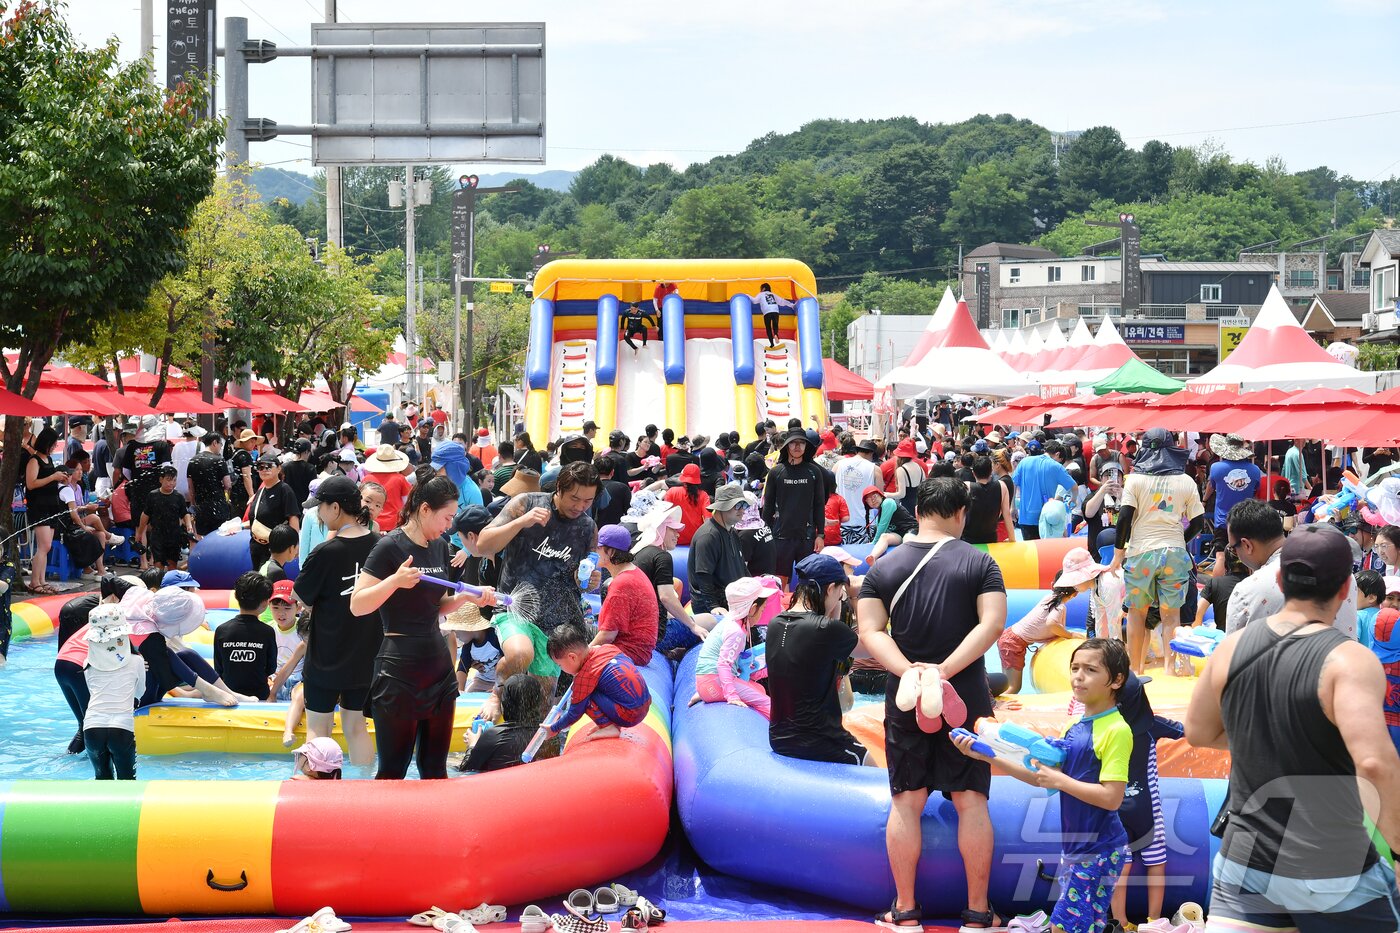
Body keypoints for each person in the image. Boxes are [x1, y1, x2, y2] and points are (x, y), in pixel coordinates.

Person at [1185, 525, 1400, 931]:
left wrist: (1269, 736)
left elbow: (1196, 732)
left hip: (1246, 861)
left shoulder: (1231, 648)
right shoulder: (1348, 660)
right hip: (1331, 864)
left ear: (1281, 580)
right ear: (1345, 590)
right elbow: (1373, 763)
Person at [857, 477, 1008, 932]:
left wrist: (910, 672)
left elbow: (870, 631)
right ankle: (978, 914)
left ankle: (904, 911)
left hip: (907, 697)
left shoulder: (883, 567)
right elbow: (993, 624)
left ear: (917, 510)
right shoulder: (980, 562)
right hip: (966, 695)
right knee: (972, 801)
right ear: (961, 513)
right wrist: (945, 671)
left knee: (906, 802)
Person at [952, 638, 1133, 933]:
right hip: (1077, 847)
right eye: (1075, 668)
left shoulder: (1116, 730)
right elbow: (1040, 778)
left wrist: (1060, 780)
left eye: (1090, 669)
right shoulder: (1074, 727)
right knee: (1088, 927)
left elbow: (1112, 798)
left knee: (1063, 926)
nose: (1078, 675)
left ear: (1116, 680)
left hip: (1100, 849)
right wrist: (985, 755)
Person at [351, 476, 493, 780]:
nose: (449, 525)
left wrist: (465, 597)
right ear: (425, 509)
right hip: (398, 670)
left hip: (438, 668)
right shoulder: (389, 546)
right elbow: (358, 605)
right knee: (392, 770)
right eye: (447, 517)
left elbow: (438, 606)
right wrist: (394, 581)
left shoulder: (440, 547)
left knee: (435, 770)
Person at [476, 461, 600, 720]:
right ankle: (496, 695)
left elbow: (582, 581)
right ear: (559, 488)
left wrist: (589, 580)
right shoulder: (527, 504)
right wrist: (521, 522)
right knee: (521, 654)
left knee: (542, 710)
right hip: (514, 605)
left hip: (556, 620)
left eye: (588, 501)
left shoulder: (587, 527)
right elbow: (483, 545)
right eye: (574, 498)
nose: (580, 506)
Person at [292, 476, 380, 767]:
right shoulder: (380, 545)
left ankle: (315, 792)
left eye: (320, 507)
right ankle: (366, 790)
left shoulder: (326, 552)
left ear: (335, 508)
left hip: (327, 652)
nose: (317, 513)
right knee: (356, 725)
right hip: (366, 653)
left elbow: (301, 597)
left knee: (319, 727)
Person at [1106, 428, 1204, 675]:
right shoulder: (1186, 481)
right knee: (1171, 615)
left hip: (1141, 552)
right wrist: (1179, 540)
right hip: (1174, 552)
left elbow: (1124, 518)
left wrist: (1119, 553)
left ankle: (1135, 670)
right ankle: (1170, 669)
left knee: (1137, 613)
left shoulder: (1135, 480)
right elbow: (1198, 522)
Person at [767, 554, 869, 766]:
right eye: (840, 592)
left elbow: (823, 645)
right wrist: (862, 597)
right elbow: (872, 647)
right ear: (830, 588)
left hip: (780, 740)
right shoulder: (826, 629)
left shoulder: (775, 624)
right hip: (821, 743)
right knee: (878, 778)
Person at [1226, 499, 1358, 639]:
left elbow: (1231, 655)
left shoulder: (1248, 589)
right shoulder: (1344, 574)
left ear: (1247, 545)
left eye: (1233, 549)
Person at [998, 548, 1110, 694]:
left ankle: (990, 700)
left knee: (1007, 684)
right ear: (1075, 593)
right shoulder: (1060, 607)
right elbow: (1051, 624)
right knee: (1014, 687)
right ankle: (994, 707)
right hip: (1013, 643)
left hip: (1009, 638)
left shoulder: (1049, 598)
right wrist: (1069, 635)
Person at [544, 623, 653, 744]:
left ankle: (607, 727)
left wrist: (554, 728)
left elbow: (574, 713)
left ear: (572, 657)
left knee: (585, 695)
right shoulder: (607, 649)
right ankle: (609, 725)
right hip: (645, 704)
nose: (561, 668)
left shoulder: (586, 676)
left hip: (630, 715)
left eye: (560, 665)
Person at [692, 577, 779, 719]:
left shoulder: (731, 623)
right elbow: (723, 664)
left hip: (708, 683)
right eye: (762, 610)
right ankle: (779, 737)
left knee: (760, 688)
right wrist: (732, 696)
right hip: (714, 682)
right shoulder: (736, 632)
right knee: (768, 703)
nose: (762, 614)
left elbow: (738, 666)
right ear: (752, 609)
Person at [81, 605, 146, 781]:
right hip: (122, 728)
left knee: (102, 780)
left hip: (92, 727)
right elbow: (140, 693)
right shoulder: (136, 661)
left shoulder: (88, 663)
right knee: (127, 782)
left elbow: (92, 690)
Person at [762, 428, 826, 587]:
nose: (798, 446)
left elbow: (819, 504)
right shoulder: (776, 472)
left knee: (807, 581)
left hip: (807, 536)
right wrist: (765, 533)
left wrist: (821, 534)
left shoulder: (814, 472)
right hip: (781, 536)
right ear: (786, 446)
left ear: (806, 446)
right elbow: (768, 505)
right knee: (780, 582)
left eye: (802, 443)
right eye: (793, 443)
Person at [592, 523, 660, 666]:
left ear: (610, 552)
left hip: (628, 653)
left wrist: (585, 652)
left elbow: (608, 635)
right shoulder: (633, 572)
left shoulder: (622, 584)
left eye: (597, 547)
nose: (593, 551)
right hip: (637, 650)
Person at [213, 572, 279, 702]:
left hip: (229, 695)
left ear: (236, 597)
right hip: (259, 695)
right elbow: (271, 667)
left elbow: (219, 668)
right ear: (265, 603)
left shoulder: (222, 630)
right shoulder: (267, 632)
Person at [688, 483, 752, 616]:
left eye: (744, 505)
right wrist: (713, 606)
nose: (743, 510)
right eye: (738, 506)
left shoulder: (732, 532)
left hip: (731, 600)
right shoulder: (708, 536)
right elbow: (703, 575)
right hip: (713, 606)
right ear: (722, 507)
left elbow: (742, 568)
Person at [459, 673, 543, 773]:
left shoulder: (493, 735)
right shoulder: (549, 735)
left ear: (506, 702)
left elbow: (466, 770)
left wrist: (472, 746)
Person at [1205, 433, 1263, 575]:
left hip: (1222, 520)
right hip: (1245, 519)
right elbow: (1256, 491)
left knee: (1220, 556)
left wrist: (1204, 500)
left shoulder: (1216, 468)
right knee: (1247, 557)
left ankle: (1216, 591)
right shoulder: (1255, 470)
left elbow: (1211, 487)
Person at [22, 426, 68, 594]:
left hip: (51, 506)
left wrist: (60, 479)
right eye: (53, 444)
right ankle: (35, 582)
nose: (54, 447)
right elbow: (31, 483)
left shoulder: (48, 459)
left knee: (46, 547)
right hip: (39, 507)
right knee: (44, 546)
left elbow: (48, 481)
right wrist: (53, 477)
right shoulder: (34, 460)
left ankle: (42, 580)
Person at [1012, 438, 1077, 542]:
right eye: (1061, 461)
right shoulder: (1056, 467)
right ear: (1057, 454)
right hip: (1048, 519)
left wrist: (1012, 507)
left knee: (1030, 553)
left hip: (1026, 517)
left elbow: (1013, 484)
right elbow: (1074, 486)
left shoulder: (1024, 462)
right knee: (1046, 554)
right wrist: (1073, 500)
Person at [246, 456, 300, 571]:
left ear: (279, 468)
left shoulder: (285, 490)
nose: (265, 470)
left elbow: (293, 517)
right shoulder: (260, 491)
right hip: (256, 546)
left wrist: (294, 545)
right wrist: (237, 526)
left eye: (269, 466)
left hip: (274, 548)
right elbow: (257, 518)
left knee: (268, 578)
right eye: (261, 467)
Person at [137, 464, 194, 573]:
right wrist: (139, 533)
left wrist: (189, 525)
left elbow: (184, 513)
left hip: (174, 535)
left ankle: (172, 587)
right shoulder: (153, 496)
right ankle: (159, 585)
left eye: (174, 480)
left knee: (172, 565)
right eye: (168, 480)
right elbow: (145, 515)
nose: (171, 483)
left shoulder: (178, 497)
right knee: (158, 565)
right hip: (157, 535)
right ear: (161, 480)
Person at [186, 432, 232, 536]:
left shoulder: (193, 461)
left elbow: (190, 487)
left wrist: (193, 504)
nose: (220, 448)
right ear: (214, 443)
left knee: (203, 537)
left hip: (201, 507)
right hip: (218, 505)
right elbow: (228, 484)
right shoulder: (219, 460)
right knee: (220, 536)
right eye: (220, 445)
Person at [962, 456, 1015, 546]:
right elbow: (1007, 514)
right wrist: (1012, 539)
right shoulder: (1002, 486)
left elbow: (959, 515)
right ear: (991, 471)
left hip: (969, 539)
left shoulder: (967, 487)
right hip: (991, 538)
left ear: (973, 473)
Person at [663, 463, 710, 545]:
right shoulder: (704, 495)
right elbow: (707, 520)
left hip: (674, 540)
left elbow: (665, 516)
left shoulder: (671, 492)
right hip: (695, 540)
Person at [594, 457, 632, 527]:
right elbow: (629, 512)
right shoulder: (622, 488)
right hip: (613, 530)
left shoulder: (587, 487)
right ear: (612, 472)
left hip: (590, 530)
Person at [754, 282, 794, 347]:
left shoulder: (761, 294)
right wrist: (792, 305)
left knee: (768, 328)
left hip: (767, 311)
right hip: (775, 311)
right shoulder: (773, 294)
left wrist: (747, 296)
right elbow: (782, 301)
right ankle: (775, 334)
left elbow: (754, 301)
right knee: (775, 325)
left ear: (763, 288)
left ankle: (772, 343)